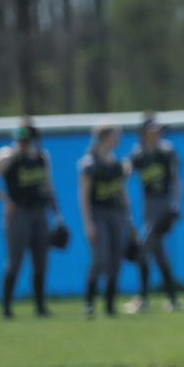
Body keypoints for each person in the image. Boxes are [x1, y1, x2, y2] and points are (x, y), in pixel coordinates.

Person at [0, 119, 61, 319]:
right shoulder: (7, 156)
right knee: (15, 262)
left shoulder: (42, 157)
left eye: (27, 139)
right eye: (20, 139)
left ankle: (40, 307)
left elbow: (48, 187)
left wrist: (57, 214)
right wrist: (6, 200)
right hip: (18, 213)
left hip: (40, 212)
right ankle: (6, 308)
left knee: (41, 261)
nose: (23, 143)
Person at [124, 116, 182, 313]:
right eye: (152, 130)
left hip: (163, 205)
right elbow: (126, 173)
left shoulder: (166, 151)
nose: (157, 133)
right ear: (143, 133)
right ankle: (172, 298)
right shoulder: (139, 153)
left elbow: (175, 180)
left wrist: (175, 205)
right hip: (149, 206)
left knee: (143, 250)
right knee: (159, 254)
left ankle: (143, 299)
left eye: (158, 130)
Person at [78, 125, 131, 318]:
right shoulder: (89, 163)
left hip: (116, 214)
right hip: (98, 214)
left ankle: (110, 305)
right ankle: (89, 304)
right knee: (100, 259)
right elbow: (84, 197)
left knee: (116, 260)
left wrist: (128, 217)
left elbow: (122, 192)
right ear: (104, 137)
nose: (118, 139)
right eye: (115, 135)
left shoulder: (118, 163)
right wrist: (88, 223)